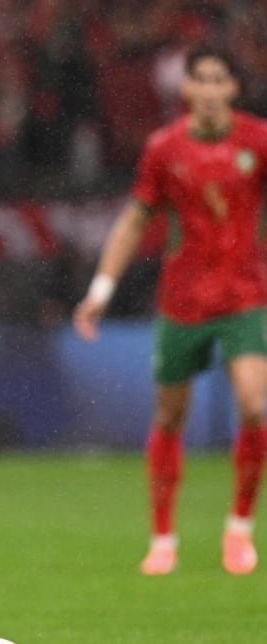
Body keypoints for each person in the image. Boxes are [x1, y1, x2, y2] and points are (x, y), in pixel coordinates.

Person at [74, 46, 267, 576]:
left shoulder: (258, 141)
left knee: (255, 406)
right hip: (182, 301)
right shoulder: (165, 148)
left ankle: (239, 529)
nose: (209, 89)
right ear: (186, 89)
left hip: (245, 297)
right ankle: (163, 538)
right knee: (169, 417)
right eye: (200, 79)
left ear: (233, 88)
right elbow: (135, 220)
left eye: (219, 79)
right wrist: (101, 289)